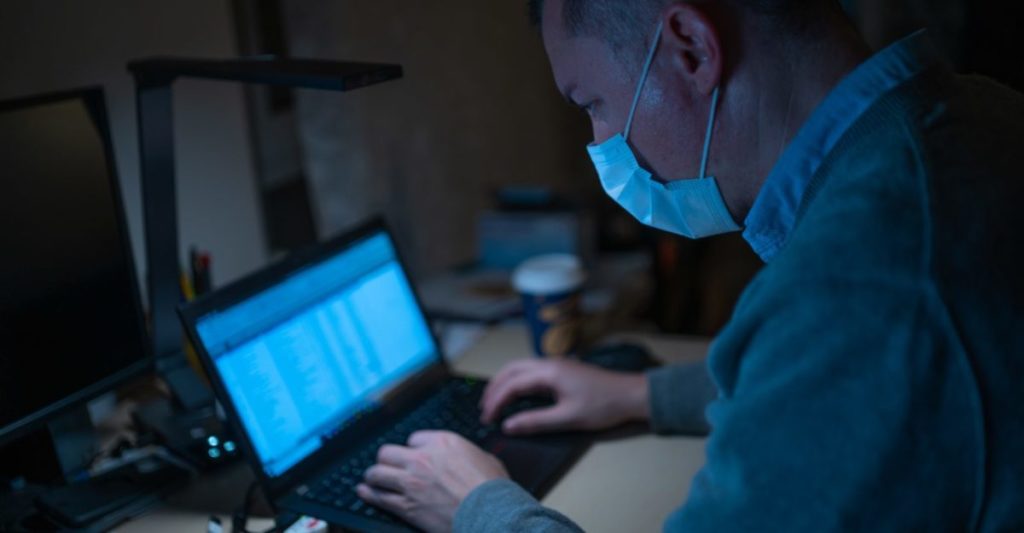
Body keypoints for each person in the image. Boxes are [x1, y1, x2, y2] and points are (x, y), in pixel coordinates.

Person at [356, 0, 1024, 531]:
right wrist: (640, 395)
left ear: (692, 48)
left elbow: (850, 348)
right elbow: (866, 383)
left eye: (593, 103)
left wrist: (480, 506)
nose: (599, 143)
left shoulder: (862, 279)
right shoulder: (980, 113)